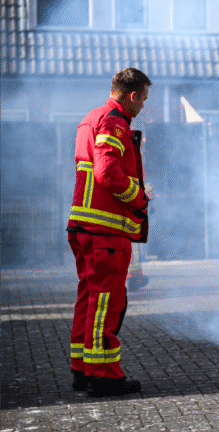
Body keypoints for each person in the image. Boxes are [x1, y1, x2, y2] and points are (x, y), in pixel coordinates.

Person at [66, 67, 152, 397]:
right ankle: (105, 376)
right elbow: (107, 172)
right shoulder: (114, 121)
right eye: (143, 99)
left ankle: (82, 370)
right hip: (105, 231)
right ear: (131, 95)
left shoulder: (91, 117)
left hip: (86, 226)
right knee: (107, 304)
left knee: (89, 300)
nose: (143, 106)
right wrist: (138, 198)